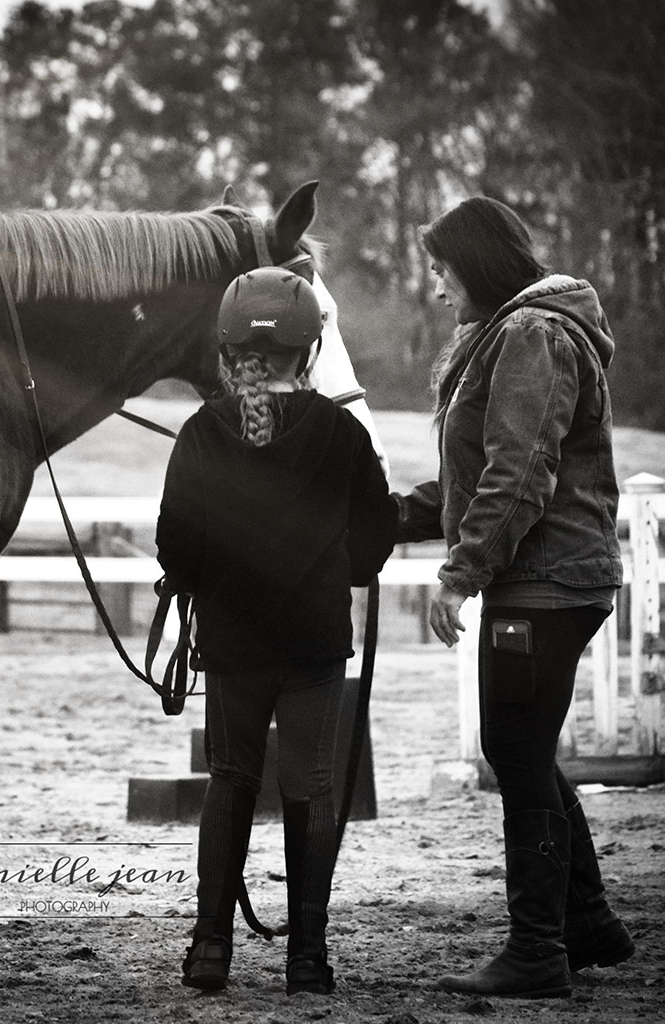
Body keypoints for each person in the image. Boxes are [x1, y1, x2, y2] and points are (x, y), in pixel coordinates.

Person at [395, 197, 635, 999]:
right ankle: (587, 923)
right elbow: (481, 474)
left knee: (517, 752)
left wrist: (460, 572)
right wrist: (389, 512)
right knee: (523, 750)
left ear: (478, 261)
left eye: (440, 269)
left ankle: (537, 951)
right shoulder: (515, 333)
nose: (435, 288)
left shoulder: (530, 335)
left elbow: (522, 469)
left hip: (544, 584)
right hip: (549, 580)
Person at [156, 266, 397, 996]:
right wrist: (331, 573)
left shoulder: (202, 432)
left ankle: (209, 952)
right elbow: (375, 541)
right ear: (312, 345)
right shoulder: (343, 432)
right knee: (311, 786)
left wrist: (210, 584)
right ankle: (308, 959)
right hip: (316, 640)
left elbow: (177, 548)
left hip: (232, 644)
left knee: (230, 781)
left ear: (228, 350)